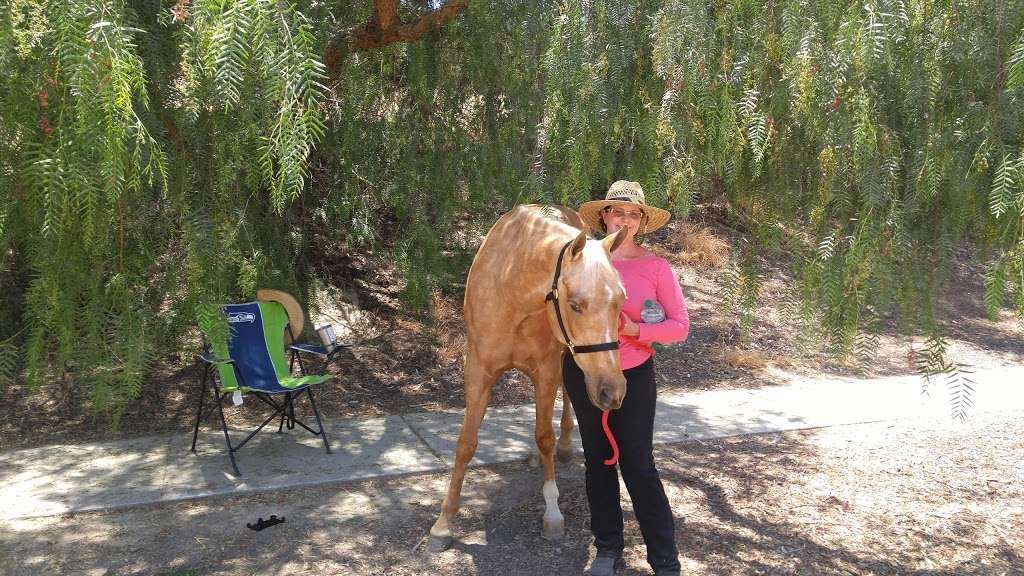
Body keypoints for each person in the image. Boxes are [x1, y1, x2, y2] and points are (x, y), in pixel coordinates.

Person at [566, 180, 689, 576]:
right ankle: (607, 548)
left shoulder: (656, 268)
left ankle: (665, 561)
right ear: (603, 217)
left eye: (632, 214)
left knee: (638, 465)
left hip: (634, 374)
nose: (624, 219)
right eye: (616, 211)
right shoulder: (577, 262)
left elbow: (679, 327)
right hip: (584, 371)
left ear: (641, 221)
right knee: (598, 462)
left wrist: (635, 330)